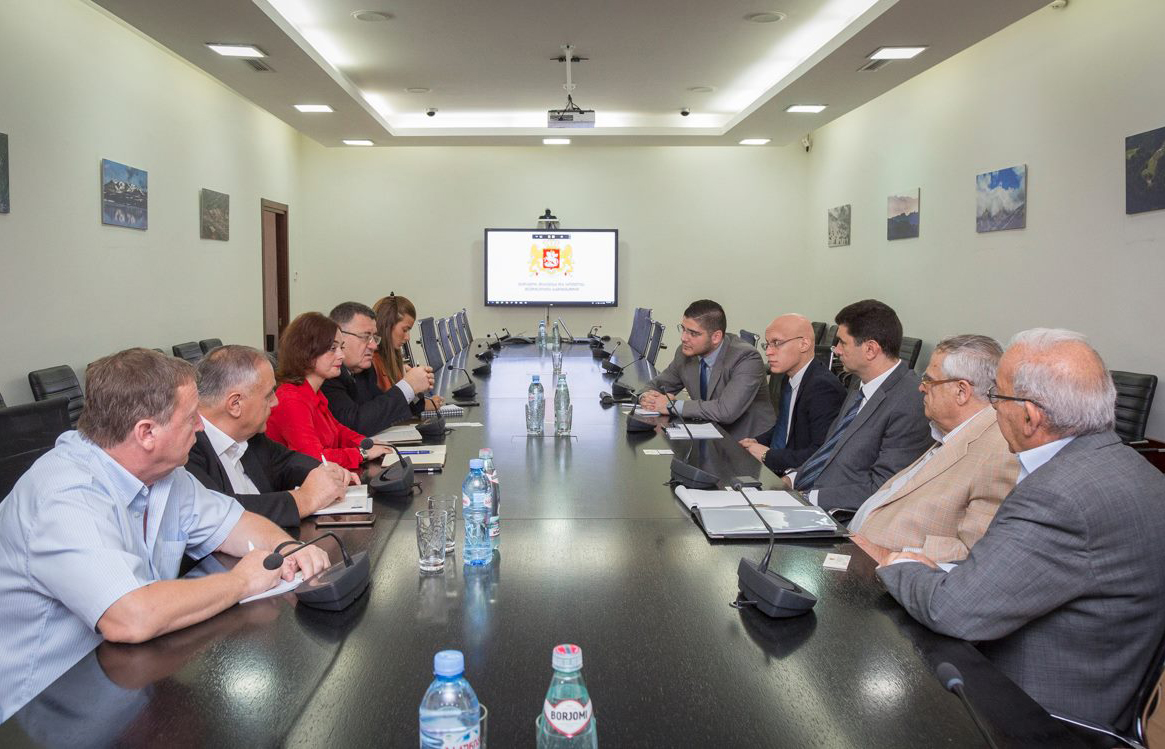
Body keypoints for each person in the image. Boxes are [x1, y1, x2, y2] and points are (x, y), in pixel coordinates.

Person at [0, 348, 330, 721]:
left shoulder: (165, 474)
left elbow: (235, 523)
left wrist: (286, 546)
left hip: (129, 684)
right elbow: (131, 617)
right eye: (191, 418)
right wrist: (242, 582)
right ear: (146, 433)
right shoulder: (64, 496)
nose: (202, 427)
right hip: (46, 713)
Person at [877, 329, 1165, 728]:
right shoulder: (1133, 469)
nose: (991, 408)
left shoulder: (1058, 495)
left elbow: (953, 610)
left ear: (1030, 416)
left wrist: (901, 564)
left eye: (996, 396)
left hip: (1033, 713)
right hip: (1103, 685)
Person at [848, 335, 1018, 564]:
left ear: (961, 391)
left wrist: (889, 556)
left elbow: (975, 552)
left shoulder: (1000, 452)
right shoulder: (951, 432)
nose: (921, 388)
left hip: (884, 572)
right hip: (854, 550)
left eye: (929, 381)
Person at [784, 299, 931, 512]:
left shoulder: (911, 401)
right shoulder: (860, 382)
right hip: (807, 495)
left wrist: (808, 497)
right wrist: (792, 478)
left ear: (870, 349)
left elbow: (883, 488)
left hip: (837, 514)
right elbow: (830, 449)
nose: (836, 350)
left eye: (842, 343)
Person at [187, 345, 356, 527]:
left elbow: (286, 462)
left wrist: (326, 472)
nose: (275, 402)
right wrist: (304, 499)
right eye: (268, 395)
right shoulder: (186, 449)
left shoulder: (250, 435)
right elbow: (219, 514)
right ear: (235, 404)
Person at [264, 312, 393, 470]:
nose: (341, 355)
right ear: (306, 352)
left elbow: (337, 431)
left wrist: (367, 443)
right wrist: (362, 453)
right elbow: (314, 458)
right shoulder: (291, 399)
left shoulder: (313, 392)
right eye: (332, 348)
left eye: (341, 347)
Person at [639, 299, 775, 439]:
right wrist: (646, 397)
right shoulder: (685, 353)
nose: (683, 338)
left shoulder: (746, 358)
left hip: (747, 439)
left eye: (693, 333)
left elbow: (725, 411)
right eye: (683, 329)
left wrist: (671, 406)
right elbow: (656, 385)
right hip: (707, 430)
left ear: (716, 337)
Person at [739, 314, 846, 475]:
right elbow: (787, 428)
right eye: (767, 344)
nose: (768, 352)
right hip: (784, 466)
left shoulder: (823, 388)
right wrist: (757, 441)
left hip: (800, 478)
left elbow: (820, 455)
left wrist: (767, 455)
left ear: (804, 344)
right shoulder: (789, 378)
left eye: (776, 343)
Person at [321, 301, 436, 435]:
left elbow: (381, 411)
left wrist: (415, 390)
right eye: (365, 337)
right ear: (339, 336)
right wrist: (408, 386)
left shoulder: (363, 370)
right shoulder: (327, 376)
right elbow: (354, 424)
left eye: (374, 338)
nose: (374, 346)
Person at [370, 294, 442, 410]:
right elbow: (386, 408)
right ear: (387, 325)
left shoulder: (392, 359)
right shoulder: (371, 362)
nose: (408, 337)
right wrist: (411, 385)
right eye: (404, 330)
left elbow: (400, 401)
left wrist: (417, 388)